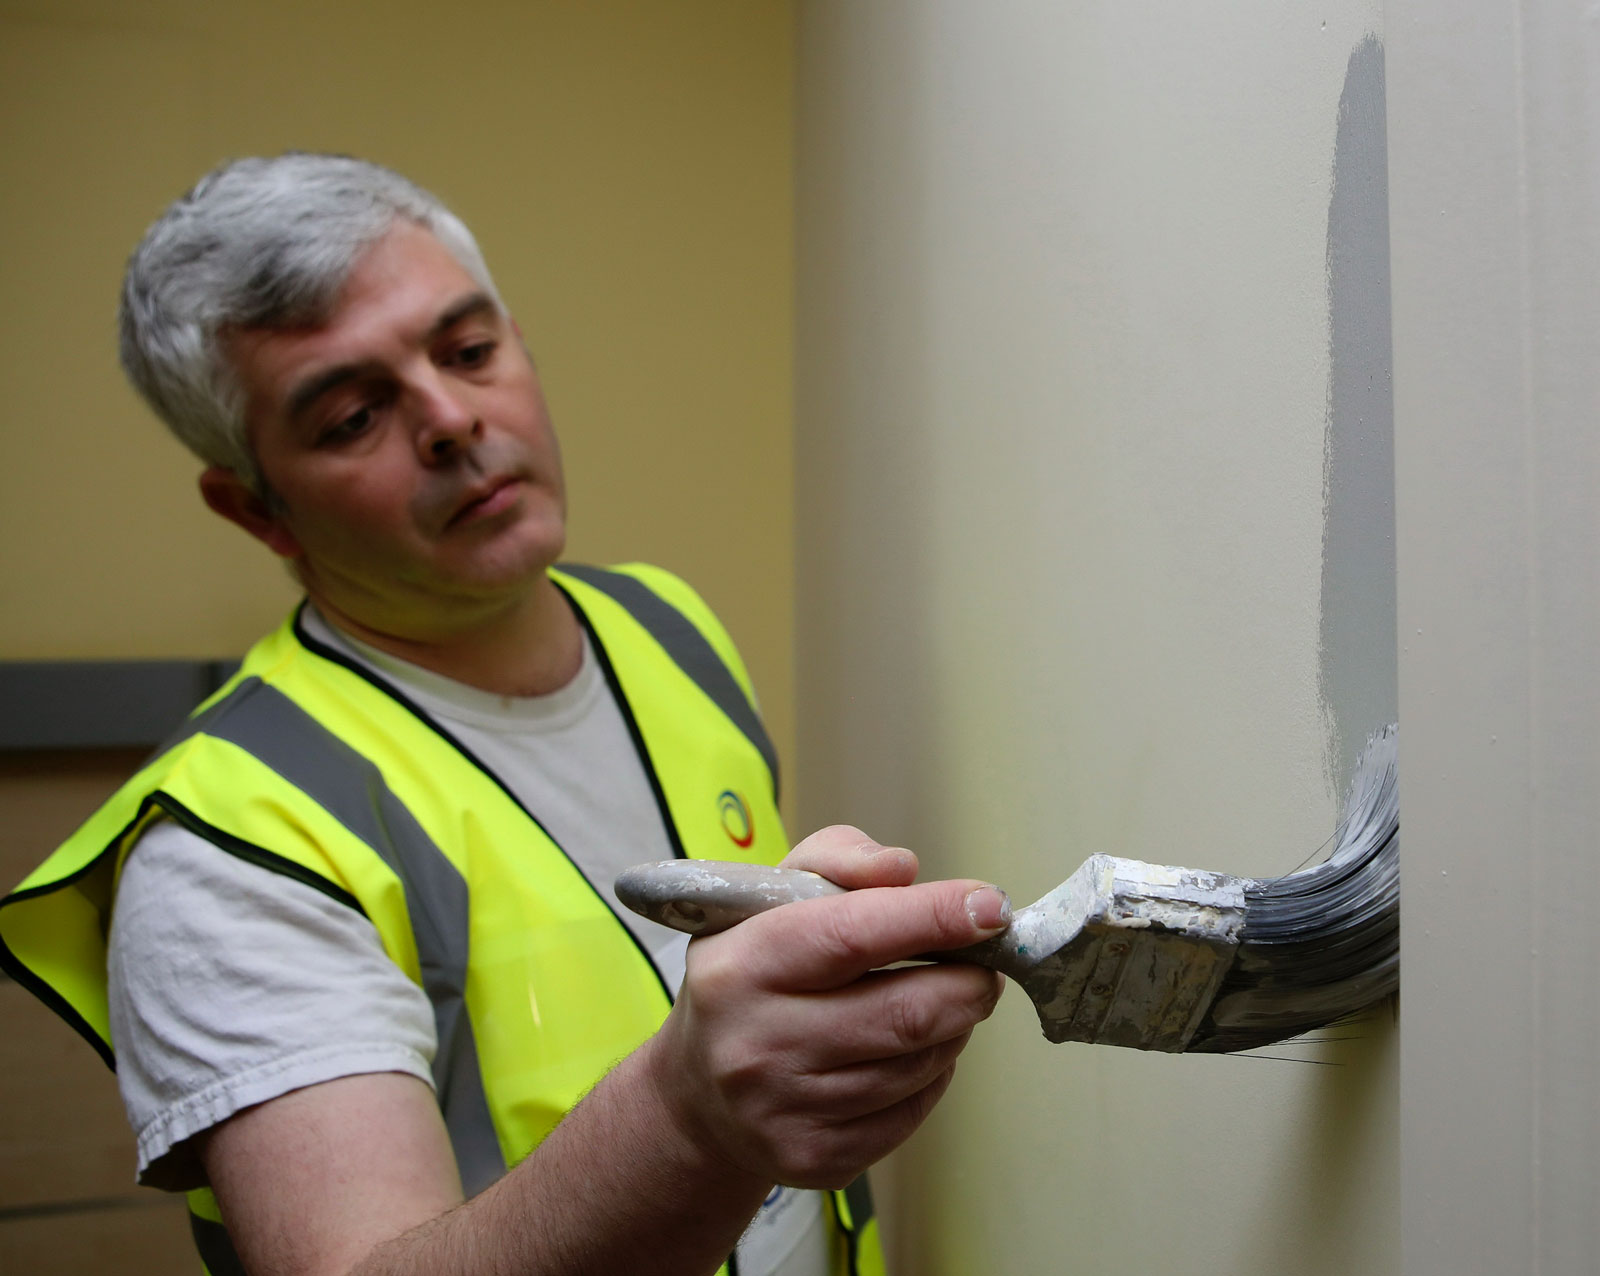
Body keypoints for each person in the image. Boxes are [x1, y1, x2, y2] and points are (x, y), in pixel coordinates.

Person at [0, 154, 1008, 1276]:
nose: (448, 419)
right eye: (349, 416)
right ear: (256, 509)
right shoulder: (230, 849)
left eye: (469, 351)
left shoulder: (662, 624)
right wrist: (688, 1119)